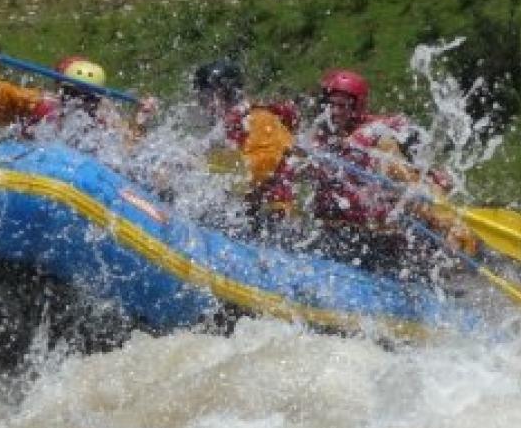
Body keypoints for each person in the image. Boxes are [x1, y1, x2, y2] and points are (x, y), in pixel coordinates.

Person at [265, 68, 479, 272]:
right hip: (332, 231)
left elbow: (412, 186)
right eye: (332, 105)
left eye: (343, 106)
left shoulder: (378, 141)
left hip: (375, 240)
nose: (335, 112)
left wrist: (446, 221)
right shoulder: (321, 138)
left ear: (356, 107)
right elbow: (293, 175)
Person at [0, 44, 154, 150]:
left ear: (99, 98)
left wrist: (141, 120)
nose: (81, 103)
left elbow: (128, 149)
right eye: (73, 94)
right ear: (60, 91)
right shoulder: (35, 103)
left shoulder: (106, 119)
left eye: (90, 98)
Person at [190, 60, 301, 220]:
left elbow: (255, 173)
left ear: (226, 92)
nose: (204, 106)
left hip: (272, 218)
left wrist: (201, 169)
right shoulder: (227, 125)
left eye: (206, 97)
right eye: (201, 98)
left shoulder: (261, 120)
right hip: (244, 212)